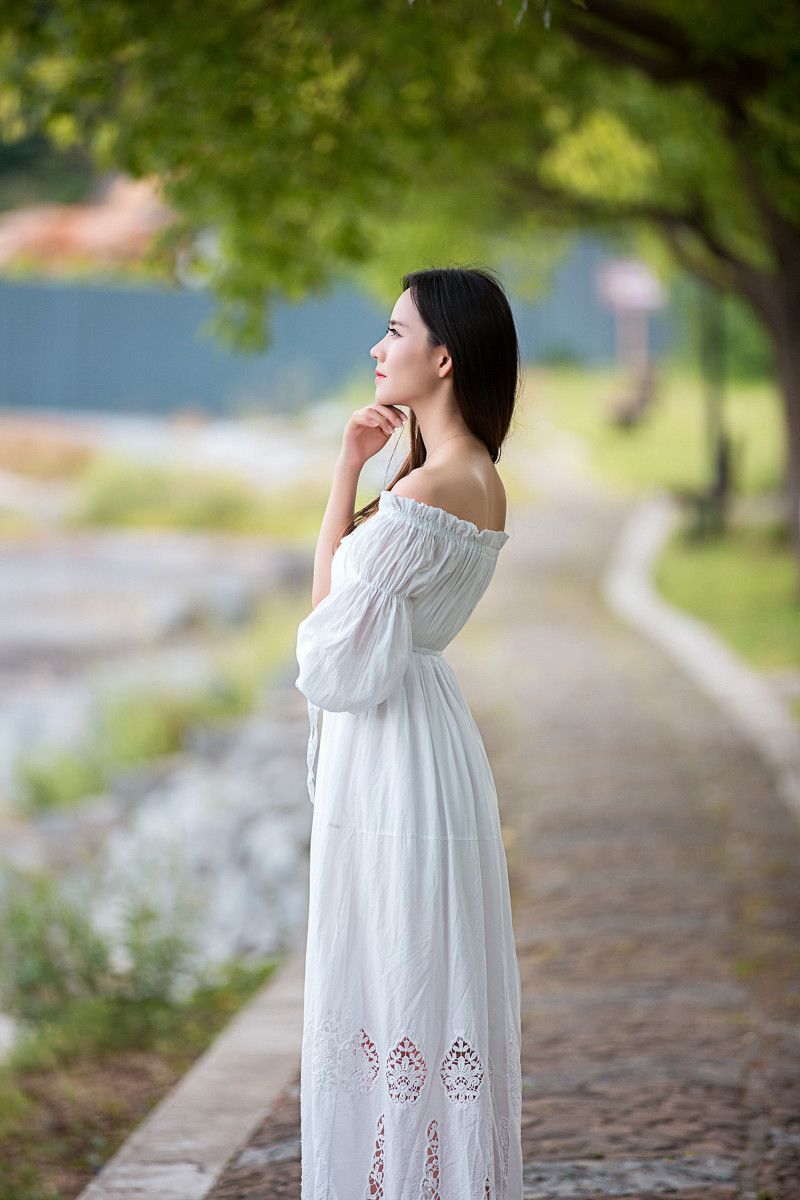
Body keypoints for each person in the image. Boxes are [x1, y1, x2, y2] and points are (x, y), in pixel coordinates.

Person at [295, 266, 523, 1199]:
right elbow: (349, 629)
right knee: (419, 973)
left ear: (443, 355)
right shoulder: (472, 478)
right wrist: (357, 469)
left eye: (395, 331)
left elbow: (327, 654)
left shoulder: (427, 492)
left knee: (394, 969)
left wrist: (350, 476)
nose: (378, 349)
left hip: (393, 754)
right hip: (421, 738)